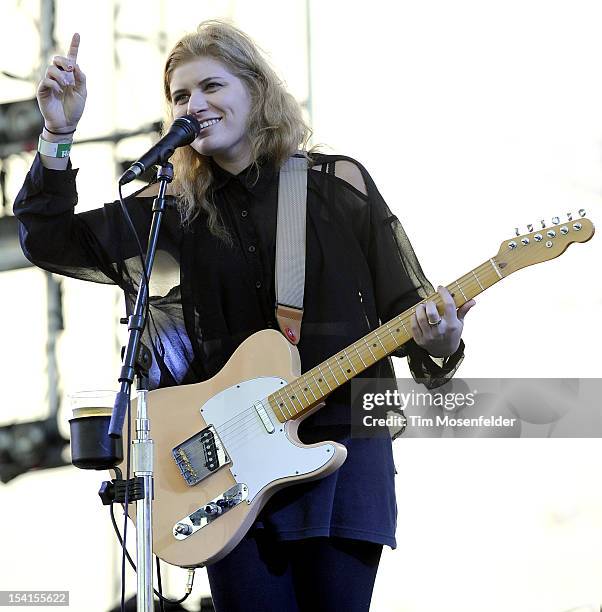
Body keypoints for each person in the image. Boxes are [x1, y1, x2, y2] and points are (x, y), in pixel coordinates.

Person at [14, 20, 474, 612]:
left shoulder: (338, 186)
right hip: (226, 468)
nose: (194, 104)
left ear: (256, 91)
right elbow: (50, 240)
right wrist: (58, 131)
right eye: (180, 96)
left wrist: (441, 338)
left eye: (211, 86)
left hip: (345, 450)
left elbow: (410, 318)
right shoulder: (173, 211)